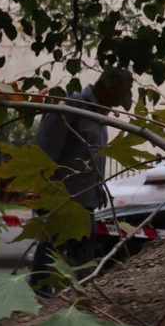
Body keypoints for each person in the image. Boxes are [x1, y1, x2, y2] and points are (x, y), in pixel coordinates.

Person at [28, 66, 132, 275]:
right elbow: (45, 149)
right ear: (106, 87)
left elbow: (92, 156)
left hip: (85, 202)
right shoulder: (74, 107)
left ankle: (75, 297)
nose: (116, 104)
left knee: (82, 259)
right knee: (49, 256)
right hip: (60, 201)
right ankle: (39, 299)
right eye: (118, 96)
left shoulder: (100, 116)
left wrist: (99, 186)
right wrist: (44, 190)